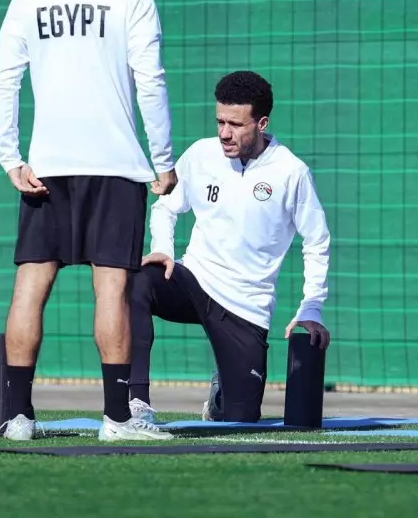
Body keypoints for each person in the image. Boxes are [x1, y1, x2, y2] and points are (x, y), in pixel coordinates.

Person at [0, 0, 176, 442]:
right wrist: (163, 161)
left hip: (48, 166)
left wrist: (11, 158)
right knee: (111, 290)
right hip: (115, 166)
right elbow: (151, 82)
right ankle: (117, 419)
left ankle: (19, 417)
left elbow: (4, 80)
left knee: (30, 286)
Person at [128, 70, 331, 423]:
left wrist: (311, 307)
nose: (224, 132)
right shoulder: (201, 154)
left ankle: (221, 394)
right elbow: (165, 207)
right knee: (138, 280)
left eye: (235, 124)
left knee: (239, 420)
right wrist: (163, 248)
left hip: (246, 307)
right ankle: (136, 403)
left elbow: (316, 240)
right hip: (195, 280)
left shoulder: (291, 172)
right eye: (220, 121)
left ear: (261, 123)